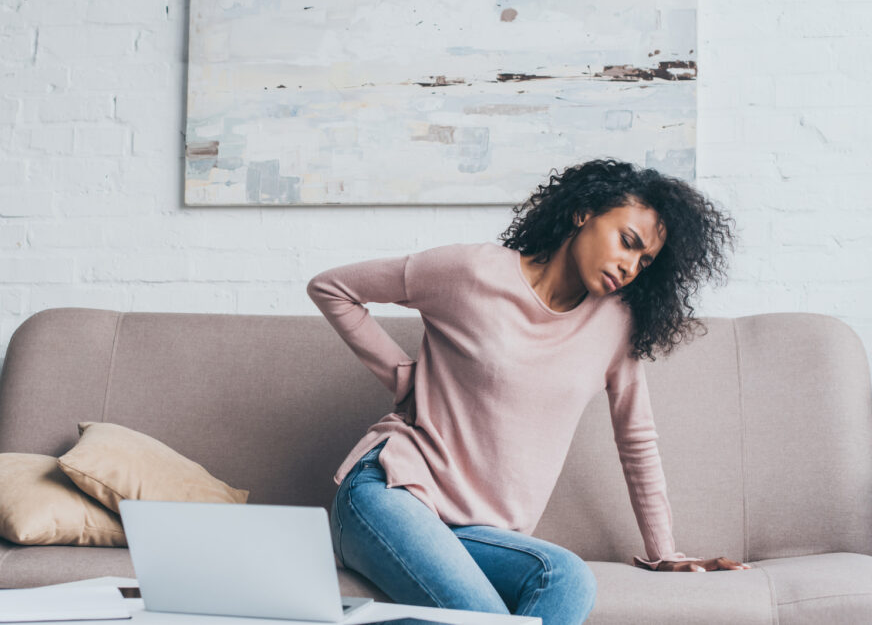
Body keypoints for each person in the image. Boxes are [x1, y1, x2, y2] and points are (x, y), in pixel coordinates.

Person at [306, 159, 748, 625]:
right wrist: (404, 378)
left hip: (479, 532)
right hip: (391, 493)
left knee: (568, 577)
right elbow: (332, 287)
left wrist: (664, 551)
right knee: (485, 618)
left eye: (644, 261)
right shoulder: (471, 272)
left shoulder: (616, 325)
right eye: (628, 242)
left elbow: (636, 440)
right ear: (583, 214)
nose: (630, 266)